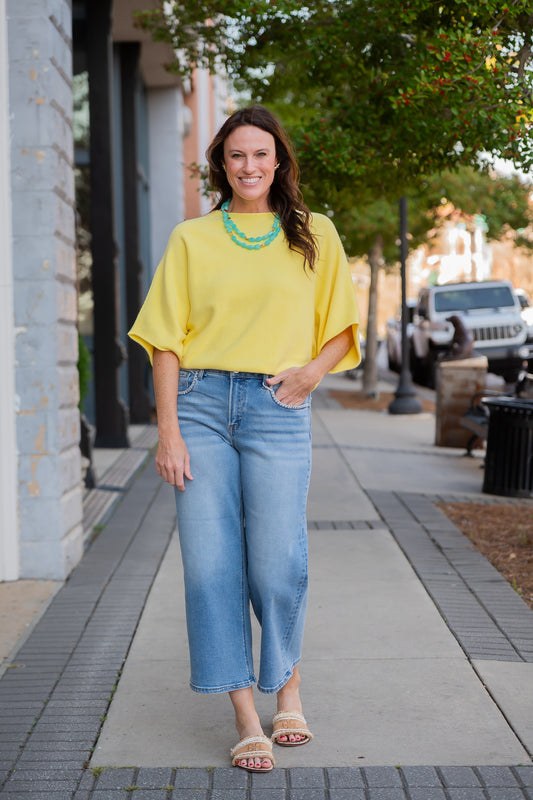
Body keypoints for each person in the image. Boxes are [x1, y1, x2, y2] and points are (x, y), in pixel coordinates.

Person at [129, 105, 360, 773]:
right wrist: (166, 432)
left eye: (261, 154)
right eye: (236, 155)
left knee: (275, 563)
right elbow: (165, 342)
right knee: (209, 568)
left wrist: (312, 374)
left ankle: (288, 686)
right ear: (221, 164)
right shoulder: (191, 239)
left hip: (275, 405)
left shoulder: (314, 234)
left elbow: (340, 326)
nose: (249, 165)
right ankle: (244, 716)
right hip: (199, 407)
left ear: (279, 160)